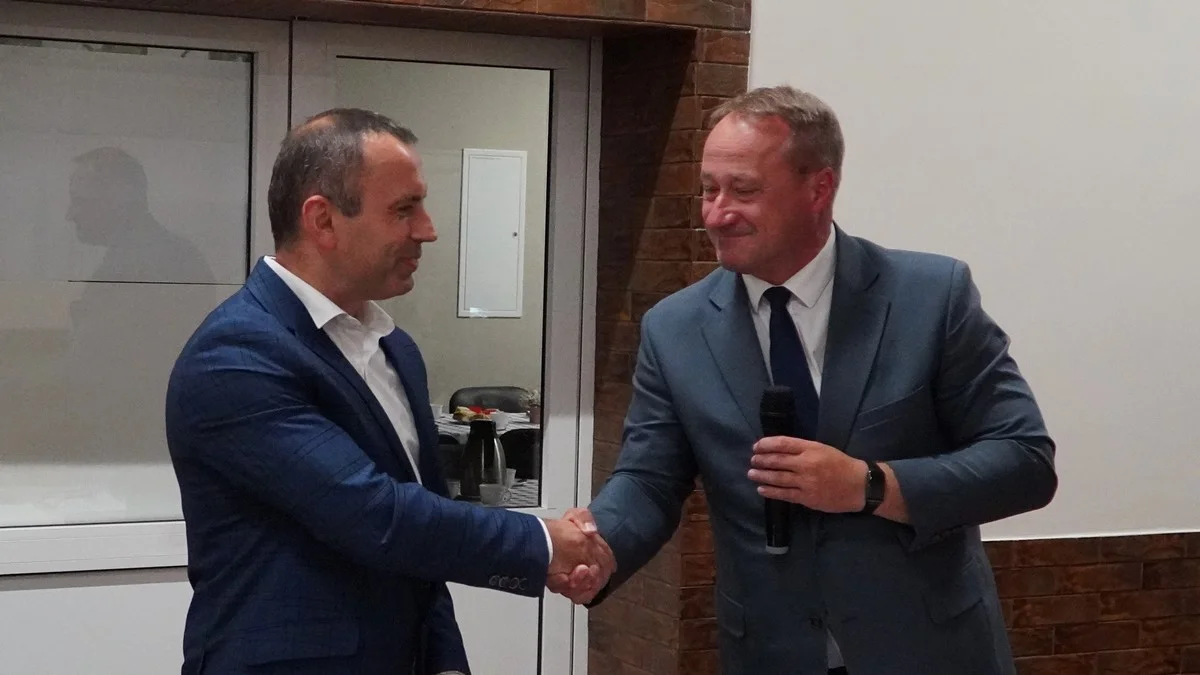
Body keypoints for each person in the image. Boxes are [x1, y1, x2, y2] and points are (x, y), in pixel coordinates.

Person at [557, 86, 1057, 674]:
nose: (716, 214)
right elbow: (649, 479)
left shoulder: (930, 298)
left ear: (819, 188)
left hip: (927, 649)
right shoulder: (675, 328)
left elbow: (1024, 461)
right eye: (709, 189)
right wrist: (601, 544)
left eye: (744, 190)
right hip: (770, 653)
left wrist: (870, 485)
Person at [165, 108, 608, 675]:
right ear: (323, 220)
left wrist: (445, 663)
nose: (428, 230)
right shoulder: (237, 356)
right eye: (404, 209)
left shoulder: (394, 348)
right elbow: (377, 516)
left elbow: (423, 539)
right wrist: (544, 544)